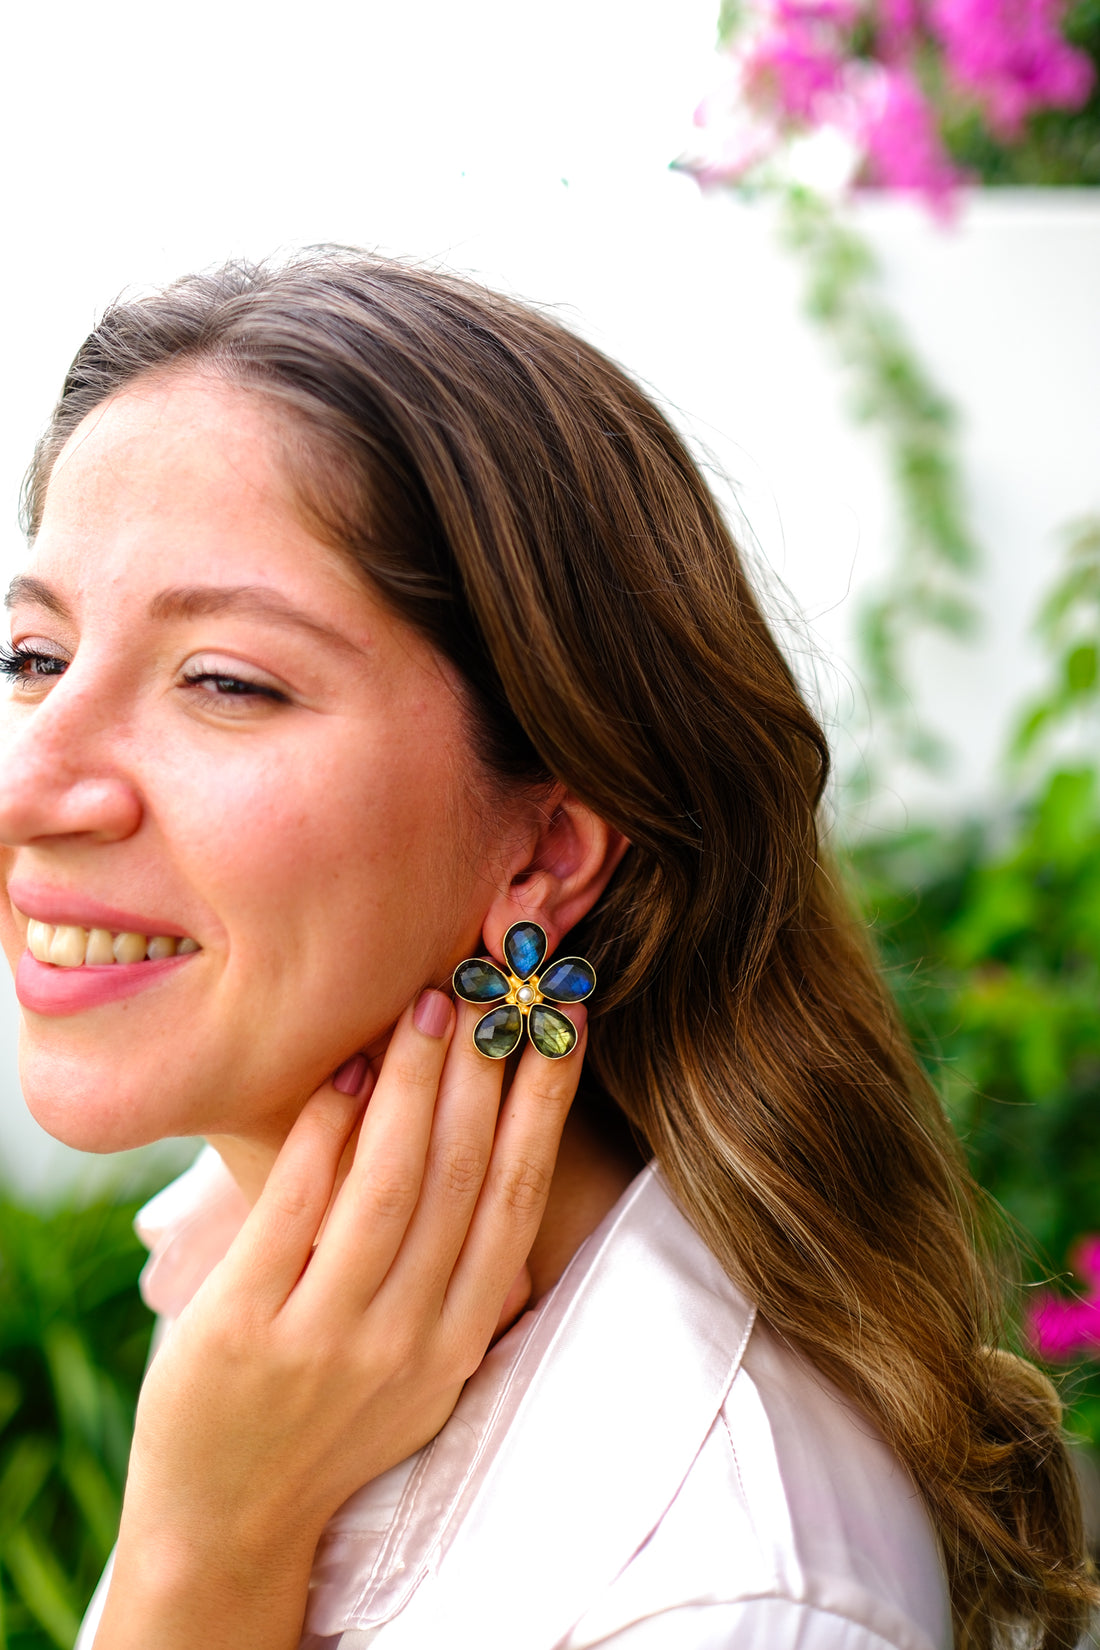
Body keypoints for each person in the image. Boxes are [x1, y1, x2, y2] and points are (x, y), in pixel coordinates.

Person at [0, 251, 1092, 1650]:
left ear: (549, 849)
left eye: (226, 680)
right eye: (35, 658)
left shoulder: (717, 1586)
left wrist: (202, 1554)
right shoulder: (277, 1317)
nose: (34, 785)